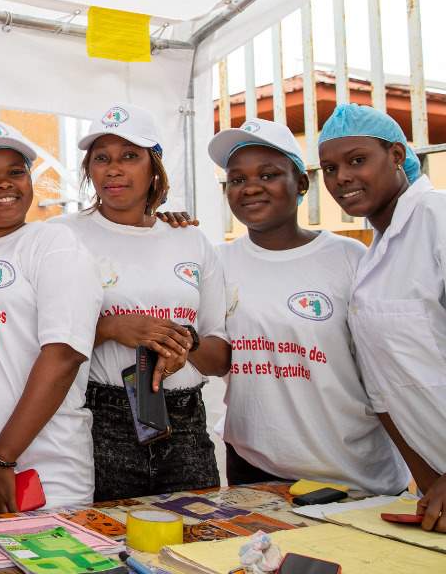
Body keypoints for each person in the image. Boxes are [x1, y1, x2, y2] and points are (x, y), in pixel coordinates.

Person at [209, 118, 408, 493]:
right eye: (237, 180)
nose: (251, 187)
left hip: (353, 475)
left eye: (268, 175)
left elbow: (389, 368)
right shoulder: (217, 263)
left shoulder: (351, 258)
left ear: (301, 183)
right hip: (257, 471)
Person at [53, 102, 230, 501]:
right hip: (103, 416)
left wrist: (186, 344)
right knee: (108, 546)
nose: (114, 168)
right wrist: (113, 328)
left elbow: (219, 357)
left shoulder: (190, 239)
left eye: (130, 156)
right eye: (102, 158)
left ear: (154, 168)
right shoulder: (61, 236)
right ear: (89, 171)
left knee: (195, 541)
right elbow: (35, 336)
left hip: (184, 420)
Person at [0, 120, 103, 513]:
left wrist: (2, 458)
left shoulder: (53, 245)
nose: (4, 183)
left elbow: (64, 355)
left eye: (16, 172)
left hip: (45, 477)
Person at [318, 104, 445, 532]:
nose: (342, 178)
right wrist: (430, 485)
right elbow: (386, 390)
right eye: (330, 168)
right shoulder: (375, 252)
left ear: (395, 155)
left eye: (357, 160)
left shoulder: (437, 220)